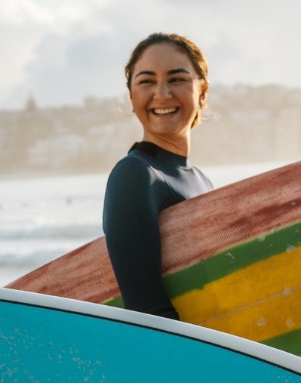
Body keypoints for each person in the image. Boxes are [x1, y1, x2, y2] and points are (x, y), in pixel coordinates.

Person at [103, 33, 216, 320]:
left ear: (202, 91)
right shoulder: (135, 175)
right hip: (186, 358)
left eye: (177, 79)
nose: (162, 94)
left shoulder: (203, 182)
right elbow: (148, 312)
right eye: (146, 81)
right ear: (131, 97)